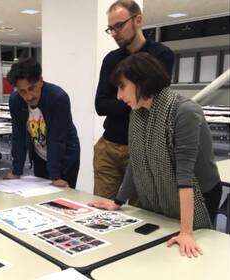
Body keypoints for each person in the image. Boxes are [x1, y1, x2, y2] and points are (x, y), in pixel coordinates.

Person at [90, 52, 222, 258]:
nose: (118, 96)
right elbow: (136, 159)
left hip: (198, 195)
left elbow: (185, 176)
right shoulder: (138, 112)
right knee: (161, 249)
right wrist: (118, 201)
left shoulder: (184, 111)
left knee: (188, 254)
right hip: (163, 194)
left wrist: (186, 231)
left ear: (141, 82)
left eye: (122, 86)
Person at [93, 0, 174, 199]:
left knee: (139, 213)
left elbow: (155, 104)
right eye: (110, 29)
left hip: (143, 148)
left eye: (119, 26)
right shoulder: (112, 59)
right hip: (109, 146)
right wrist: (134, 101)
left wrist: (127, 103)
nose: (114, 33)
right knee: (101, 211)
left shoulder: (161, 55)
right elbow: (101, 105)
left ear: (138, 20)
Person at [3, 58, 80, 188]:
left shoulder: (58, 98)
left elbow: (57, 139)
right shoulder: (15, 101)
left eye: (31, 88)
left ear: (40, 81)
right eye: (22, 91)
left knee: (62, 200)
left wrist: (55, 176)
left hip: (65, 155)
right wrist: (16, 171)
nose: (29, 97)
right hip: (40, 155)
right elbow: (19, 136)